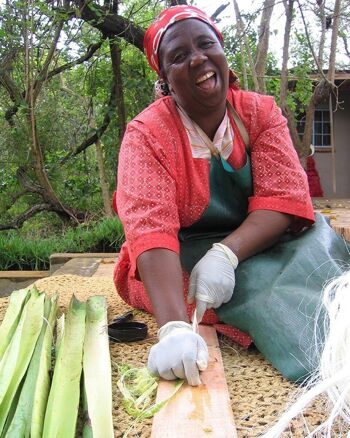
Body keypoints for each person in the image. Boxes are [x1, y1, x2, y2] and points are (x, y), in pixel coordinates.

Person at [113, 5, 349, 386]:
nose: (198, 59)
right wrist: (174, 326)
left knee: (325, 269)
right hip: (183, 252)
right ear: (167, 81)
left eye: (207, 44)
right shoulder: (147, 135)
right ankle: (325, 366)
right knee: (261, 292)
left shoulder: (259, 113)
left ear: (222, 53)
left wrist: (226, 254)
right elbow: (150, 230)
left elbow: (284, 198)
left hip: (260, 239)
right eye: (179, 56)